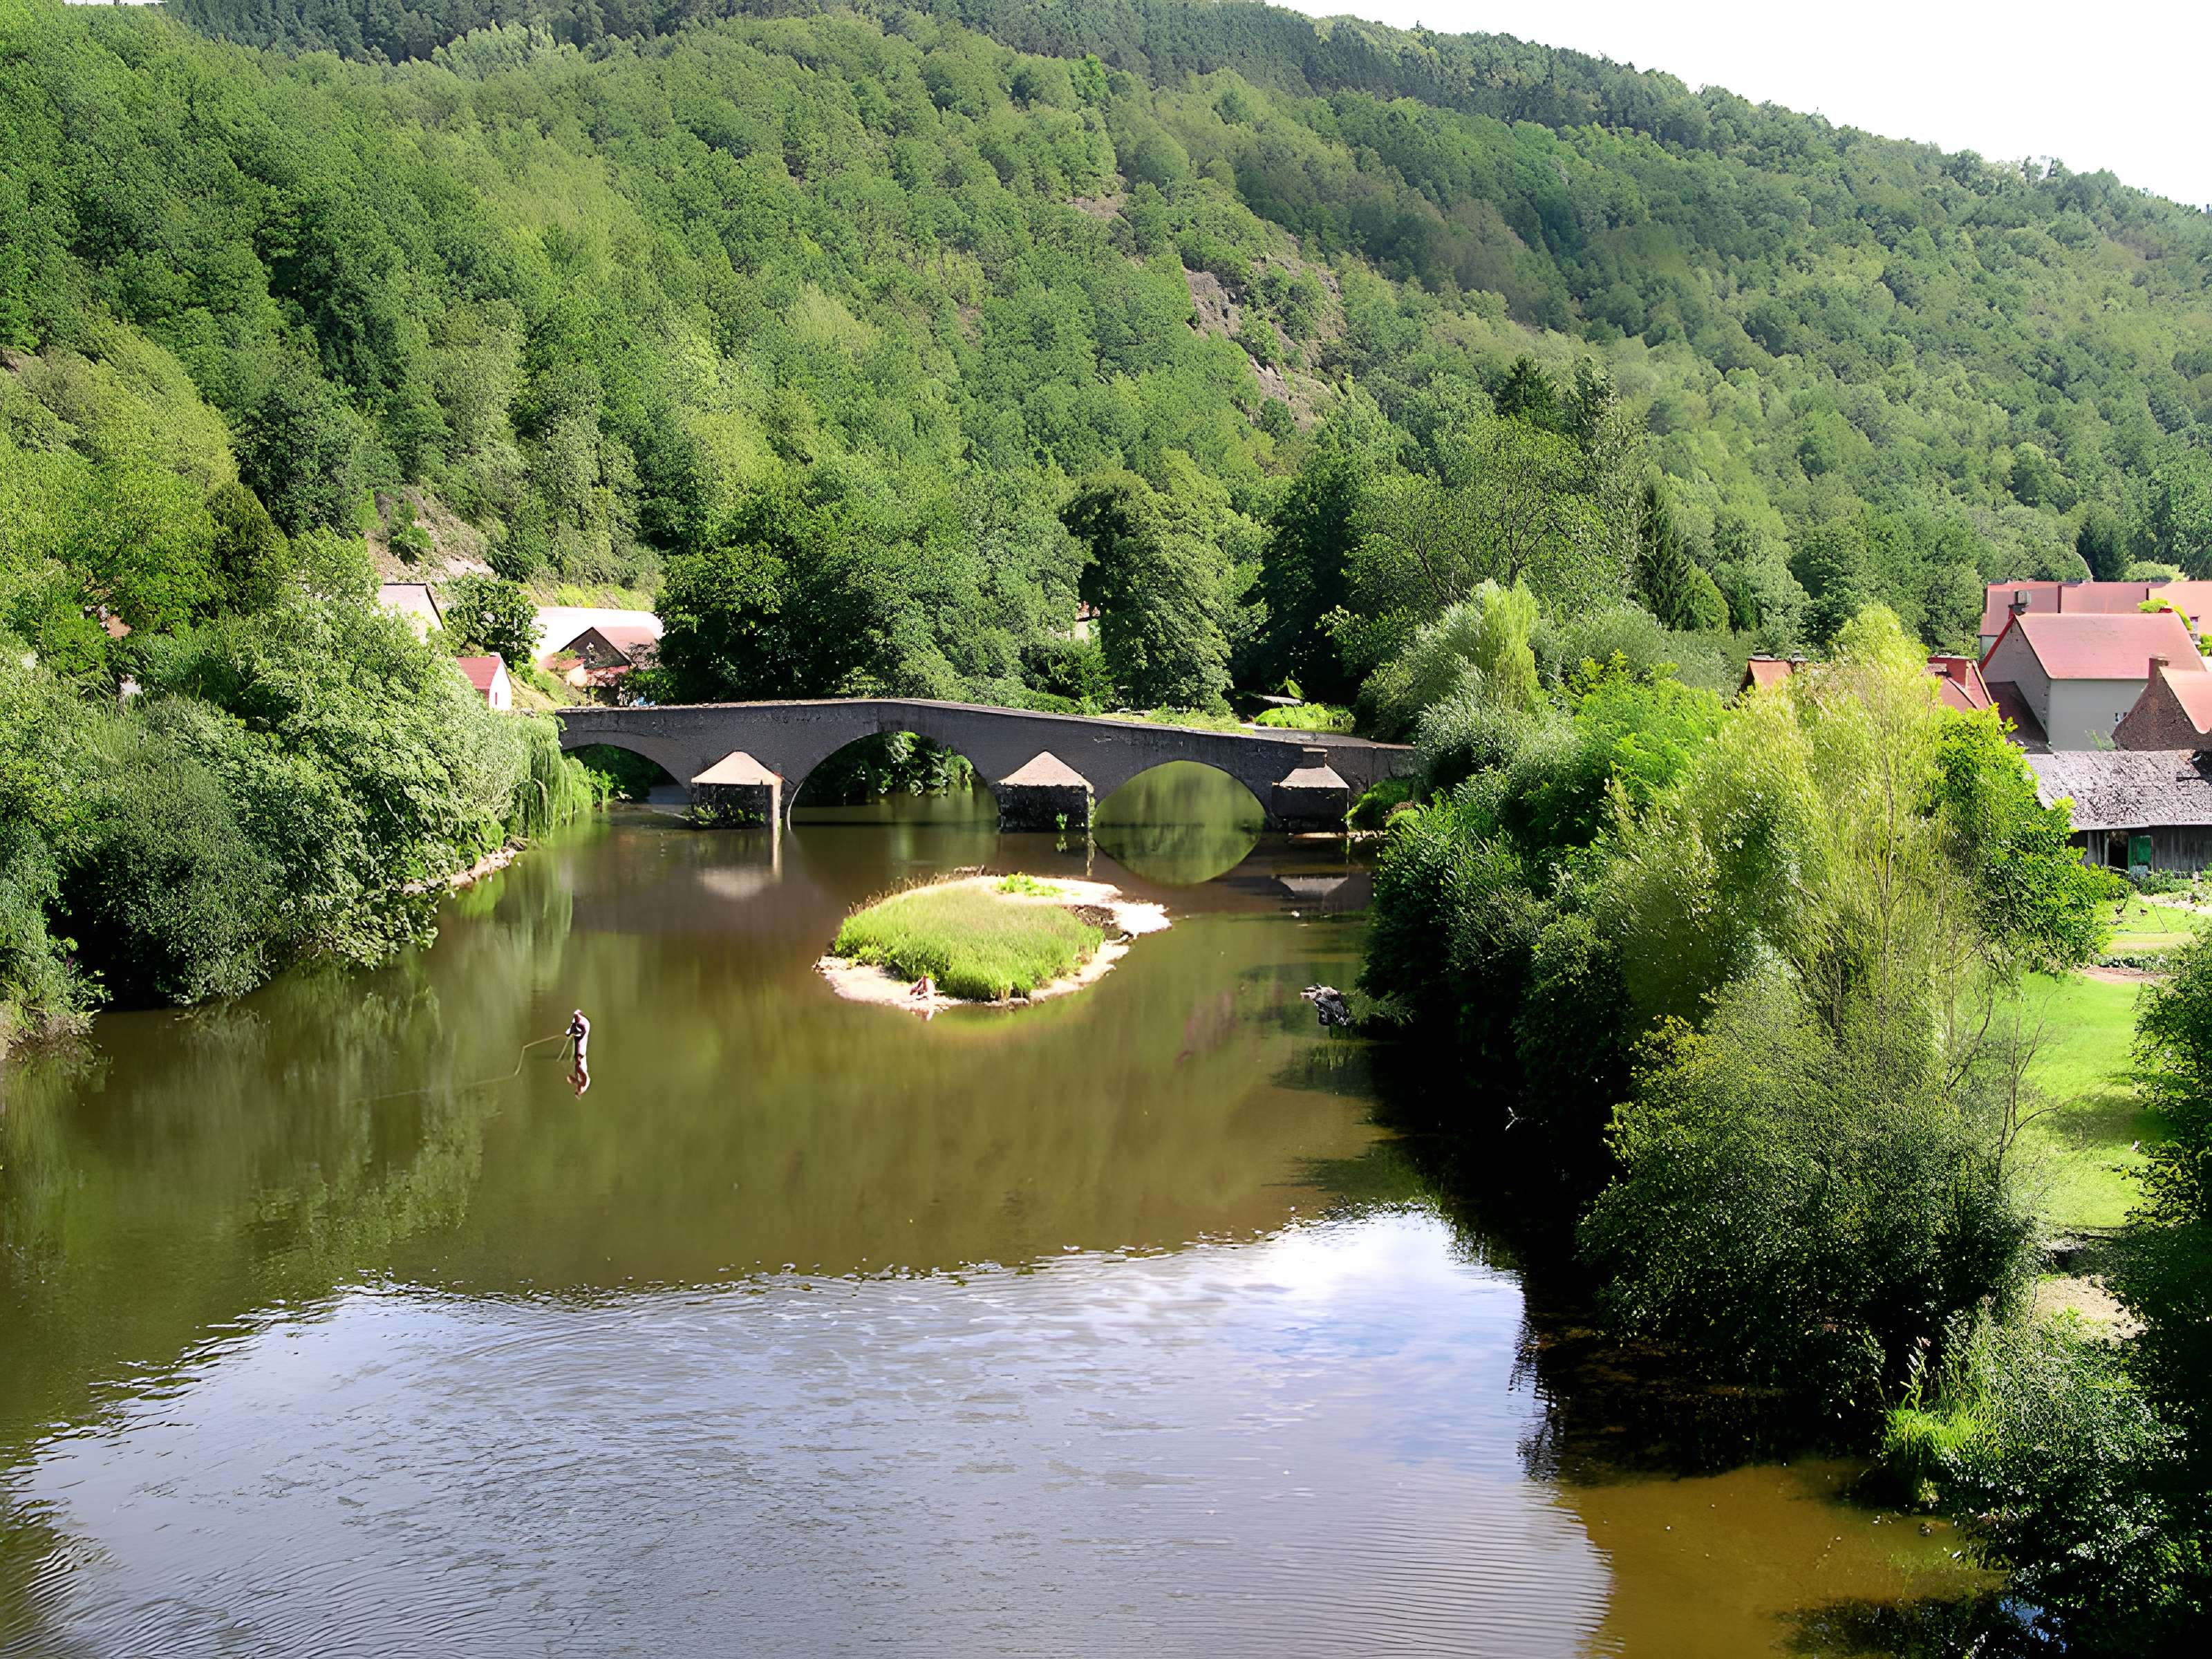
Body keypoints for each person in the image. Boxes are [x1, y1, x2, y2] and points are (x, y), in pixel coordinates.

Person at [566, 1009, 592, 1096]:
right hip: (581, 1055)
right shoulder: (584, 1080)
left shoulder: (581, 1082)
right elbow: (581, 1072)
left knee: (579, 1040)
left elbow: (575, 1081)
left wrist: (572, 1080)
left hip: (579, 1056)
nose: (577, 1089)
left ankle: (576, 1027)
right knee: (580, 1040)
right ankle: (578, 1018)